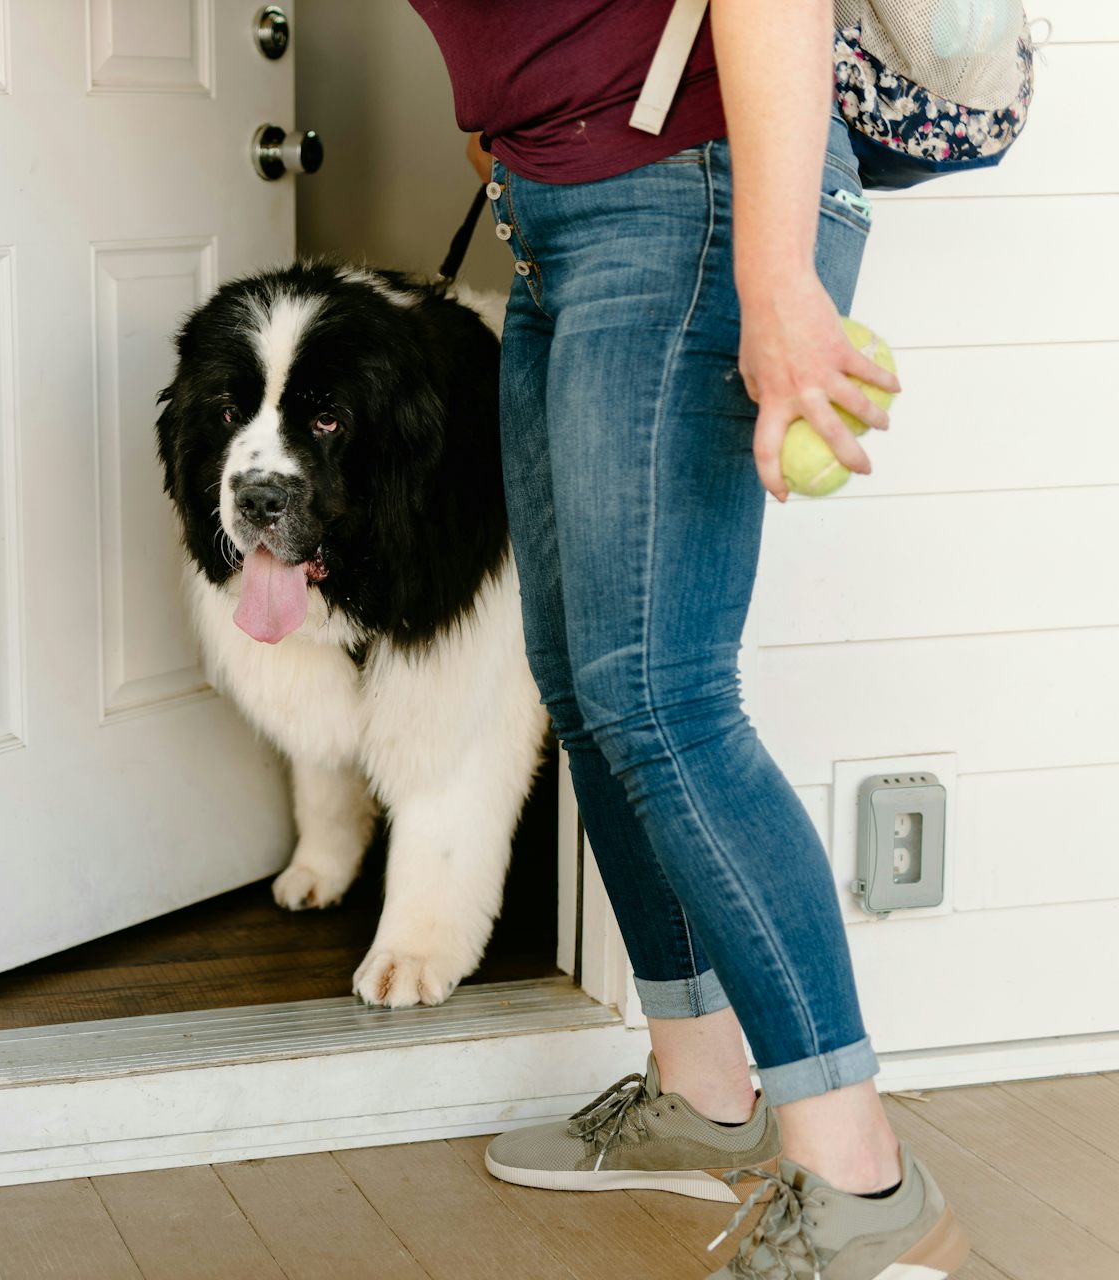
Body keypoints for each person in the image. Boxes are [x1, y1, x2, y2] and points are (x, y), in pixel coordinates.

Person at [408, 2, 970, 1276]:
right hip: (555, 208)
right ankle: (703, 1090)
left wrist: (775, 279)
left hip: (687, 199)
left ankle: (864, 1184)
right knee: (585, 682)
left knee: (661, 698)